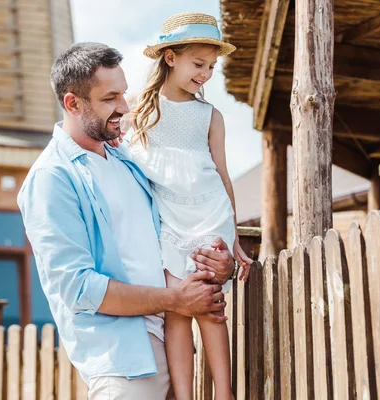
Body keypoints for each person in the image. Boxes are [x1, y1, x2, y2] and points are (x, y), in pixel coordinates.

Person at [17, 41, 237, 400]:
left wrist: (220, 260)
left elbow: (181, 223)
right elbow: (79, 288)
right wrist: (174, 300)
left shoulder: (128, 160)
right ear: (73, 103)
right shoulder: (51, 178)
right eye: (109, 98)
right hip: (124, 368)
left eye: (122, 93)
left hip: (171, 347)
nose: (123, 106)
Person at [114, 12, 252, 400]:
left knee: (207, 305)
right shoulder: (140, 108)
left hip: (210, 215)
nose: (206, 73)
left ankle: (224, 394)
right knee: (176, 309)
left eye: (211, 66)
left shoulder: (210, 115)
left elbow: (223, 176)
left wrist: (235, 237)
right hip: (168, 219)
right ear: (170, 57)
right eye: (198, 63)